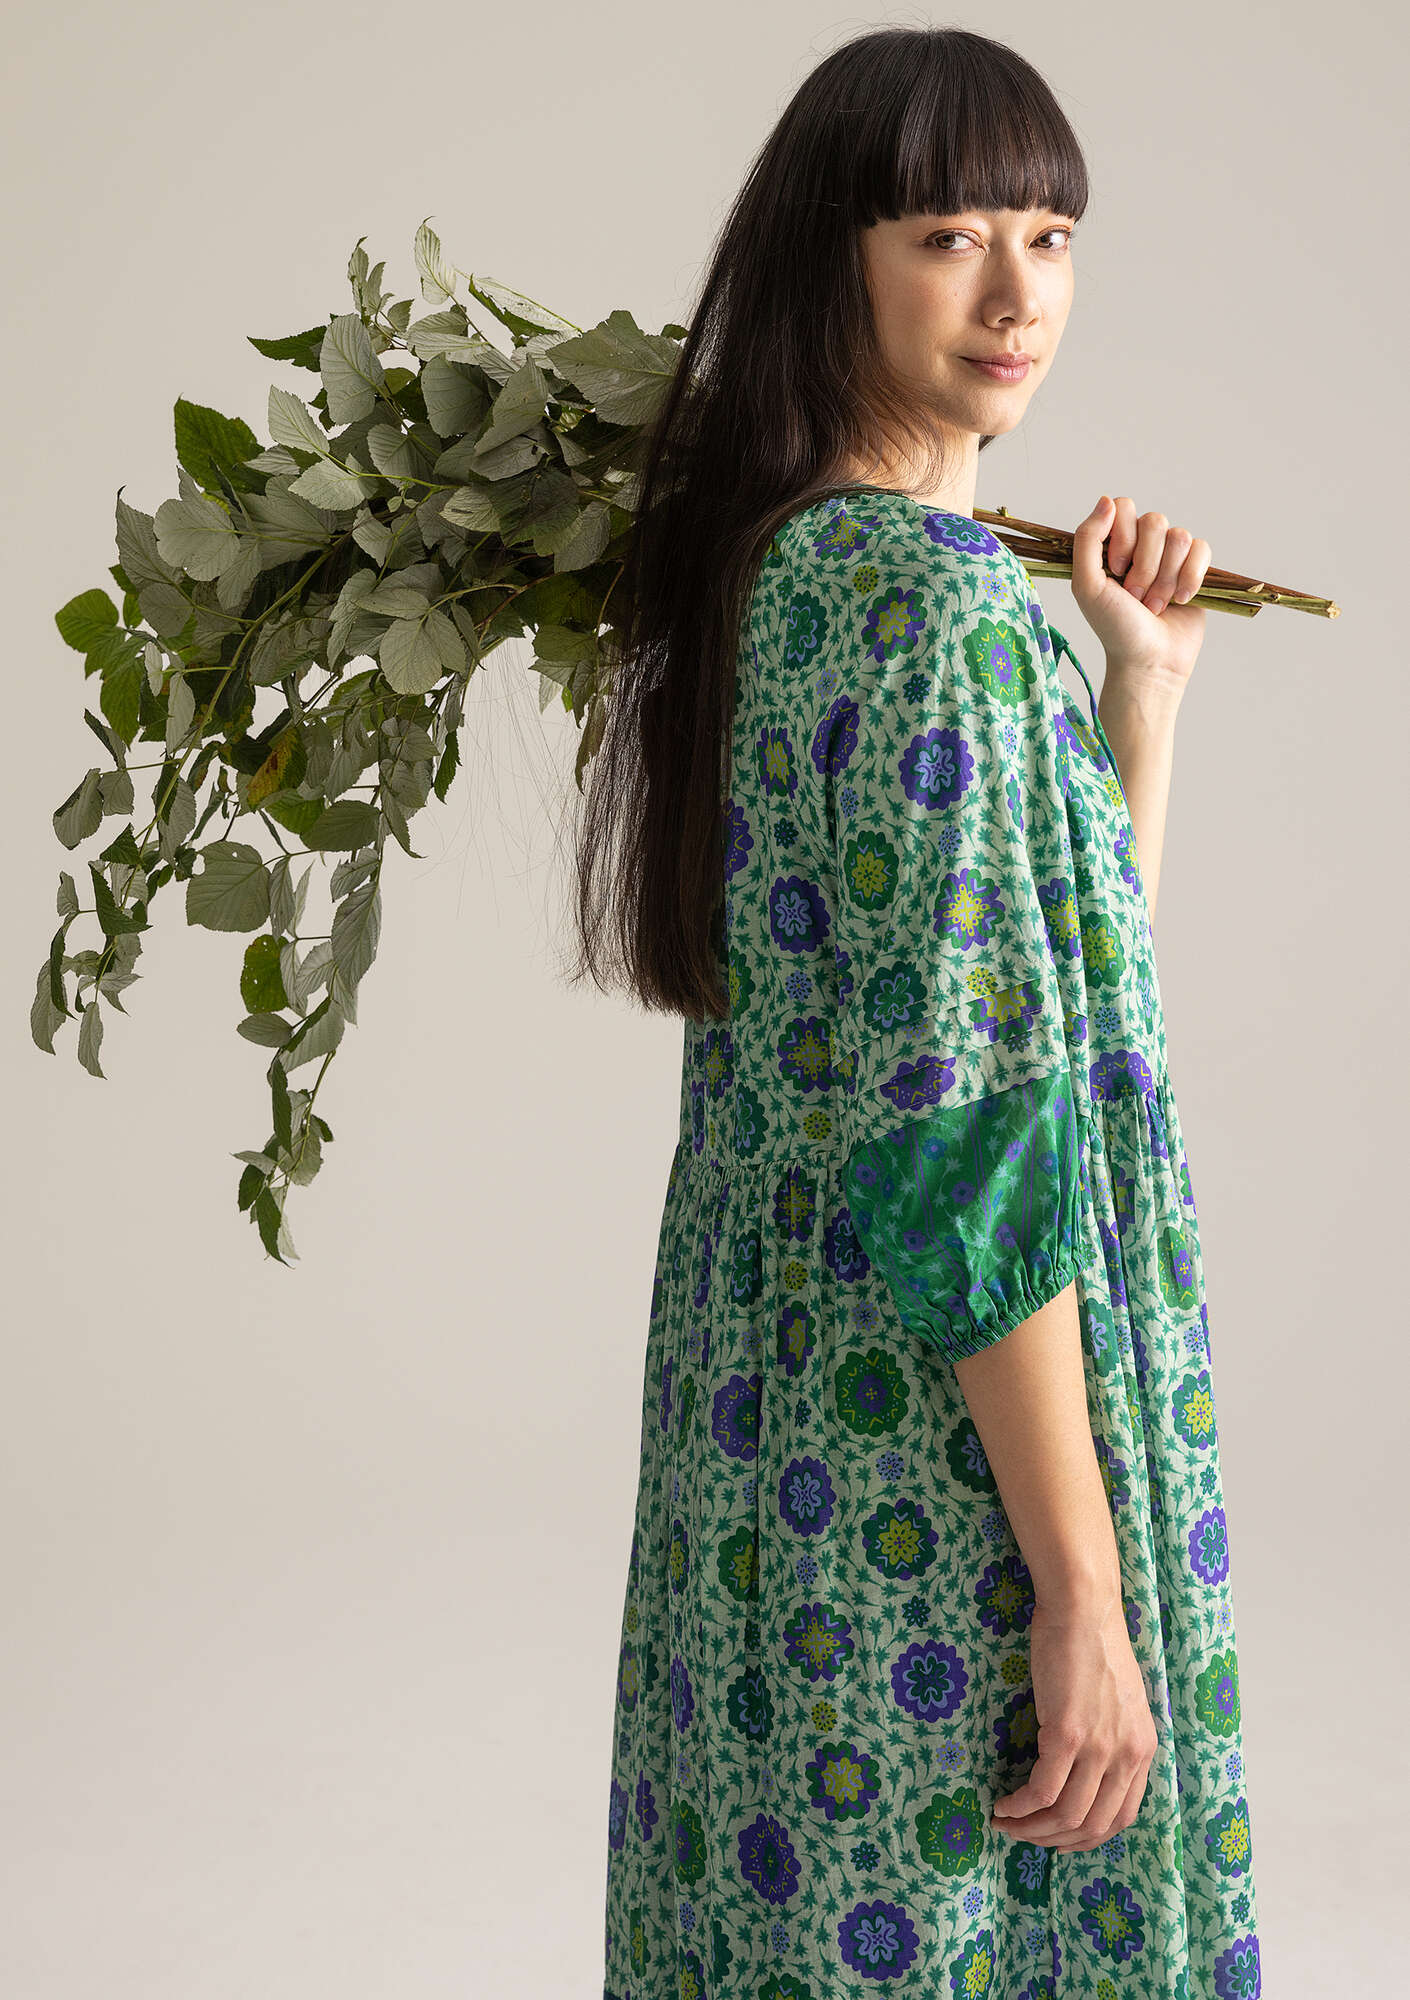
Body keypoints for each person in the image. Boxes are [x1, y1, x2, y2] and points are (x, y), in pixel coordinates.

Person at [572, 25, 1263, 1999]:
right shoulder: (941, 611)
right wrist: (1078, 1584)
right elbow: (968, 1140)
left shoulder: (773, 575)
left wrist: (1140, 694)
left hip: (765, 1443)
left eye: (1051, 236)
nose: (1016, 291)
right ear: (835, 263)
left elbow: (1050, 1011)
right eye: (949, 236)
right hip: (925, 1482)